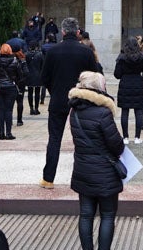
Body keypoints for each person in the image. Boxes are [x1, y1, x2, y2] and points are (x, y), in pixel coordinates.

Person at [68, 70, 126, 250]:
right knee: (107, 215)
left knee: (85, 215)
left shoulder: (74, 112)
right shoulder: (103, 113)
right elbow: (117, 146)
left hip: (83, 170)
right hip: (105, 173)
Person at [40, 17, 101, 189]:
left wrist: (56, 91)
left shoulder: (52, 52)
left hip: (59, 100)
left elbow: (44, 78)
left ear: (63, 31)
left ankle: (48, 179)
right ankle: (87, 179)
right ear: (77, 32)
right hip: (81, 100)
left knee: (54, 139)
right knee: (84, 139)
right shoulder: (86, 52)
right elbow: (94, 77)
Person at [114, 36, 143, 144]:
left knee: (125, 111)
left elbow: (117, 74)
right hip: (138, 83)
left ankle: (125, 137)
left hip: (125, 84)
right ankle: (137, 137)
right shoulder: (142, 57)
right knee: (139, 111)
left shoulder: (122, 57)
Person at [0, 44, 21, 141]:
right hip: (10, 86)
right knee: (9, 110)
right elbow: (20, 75)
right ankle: (8, 133)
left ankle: (1, 133)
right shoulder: (14, 61)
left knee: (0, 110)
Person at [25, 41, 45, 114]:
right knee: (37, 92)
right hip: (38, 75)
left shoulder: (26, 54)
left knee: (30, 92)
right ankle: (36, 109)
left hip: (29, 75)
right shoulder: (40, 54)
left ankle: (31, 108)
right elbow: (43, 66)